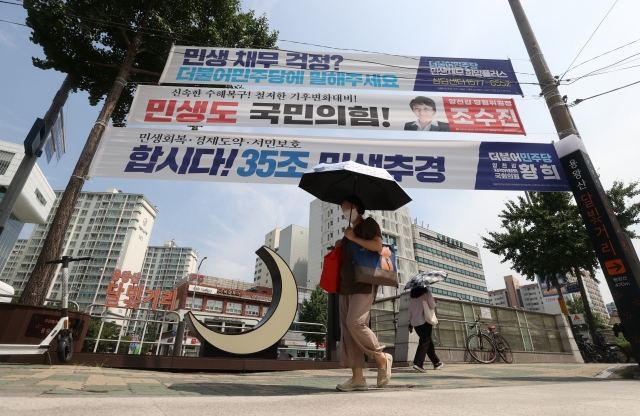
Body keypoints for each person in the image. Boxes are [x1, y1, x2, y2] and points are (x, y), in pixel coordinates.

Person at [334, 195, 393, 392]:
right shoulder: (348, 232)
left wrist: (354, 239)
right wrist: (342, 245)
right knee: (348, 331)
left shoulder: (368, 224)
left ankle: (381, 357)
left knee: (355, 323)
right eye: (342, 208)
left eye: (347, 207)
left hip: (364, 282)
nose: (344, 212)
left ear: (357, 207)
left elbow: (377, 246)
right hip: (346, 285)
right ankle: (357, 378)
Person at [408, 287, 443, 372]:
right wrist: (434, 301)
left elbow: (410, 310)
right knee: (425, 341)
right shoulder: (426, 292)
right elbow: (432, 305)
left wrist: (409, 322)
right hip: (425, 321)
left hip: (415, 322)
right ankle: (418, 363)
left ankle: (436, 362)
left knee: (428, 342)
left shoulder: (412, 295)